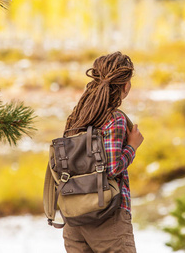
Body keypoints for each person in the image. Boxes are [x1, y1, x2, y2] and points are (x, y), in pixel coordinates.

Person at [62, 52, 144, 253]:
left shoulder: (78, 116)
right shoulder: (114, 118)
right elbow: (113, 168)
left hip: (74, 217)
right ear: (125, 85)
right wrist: (132, 146)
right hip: (107, 217)